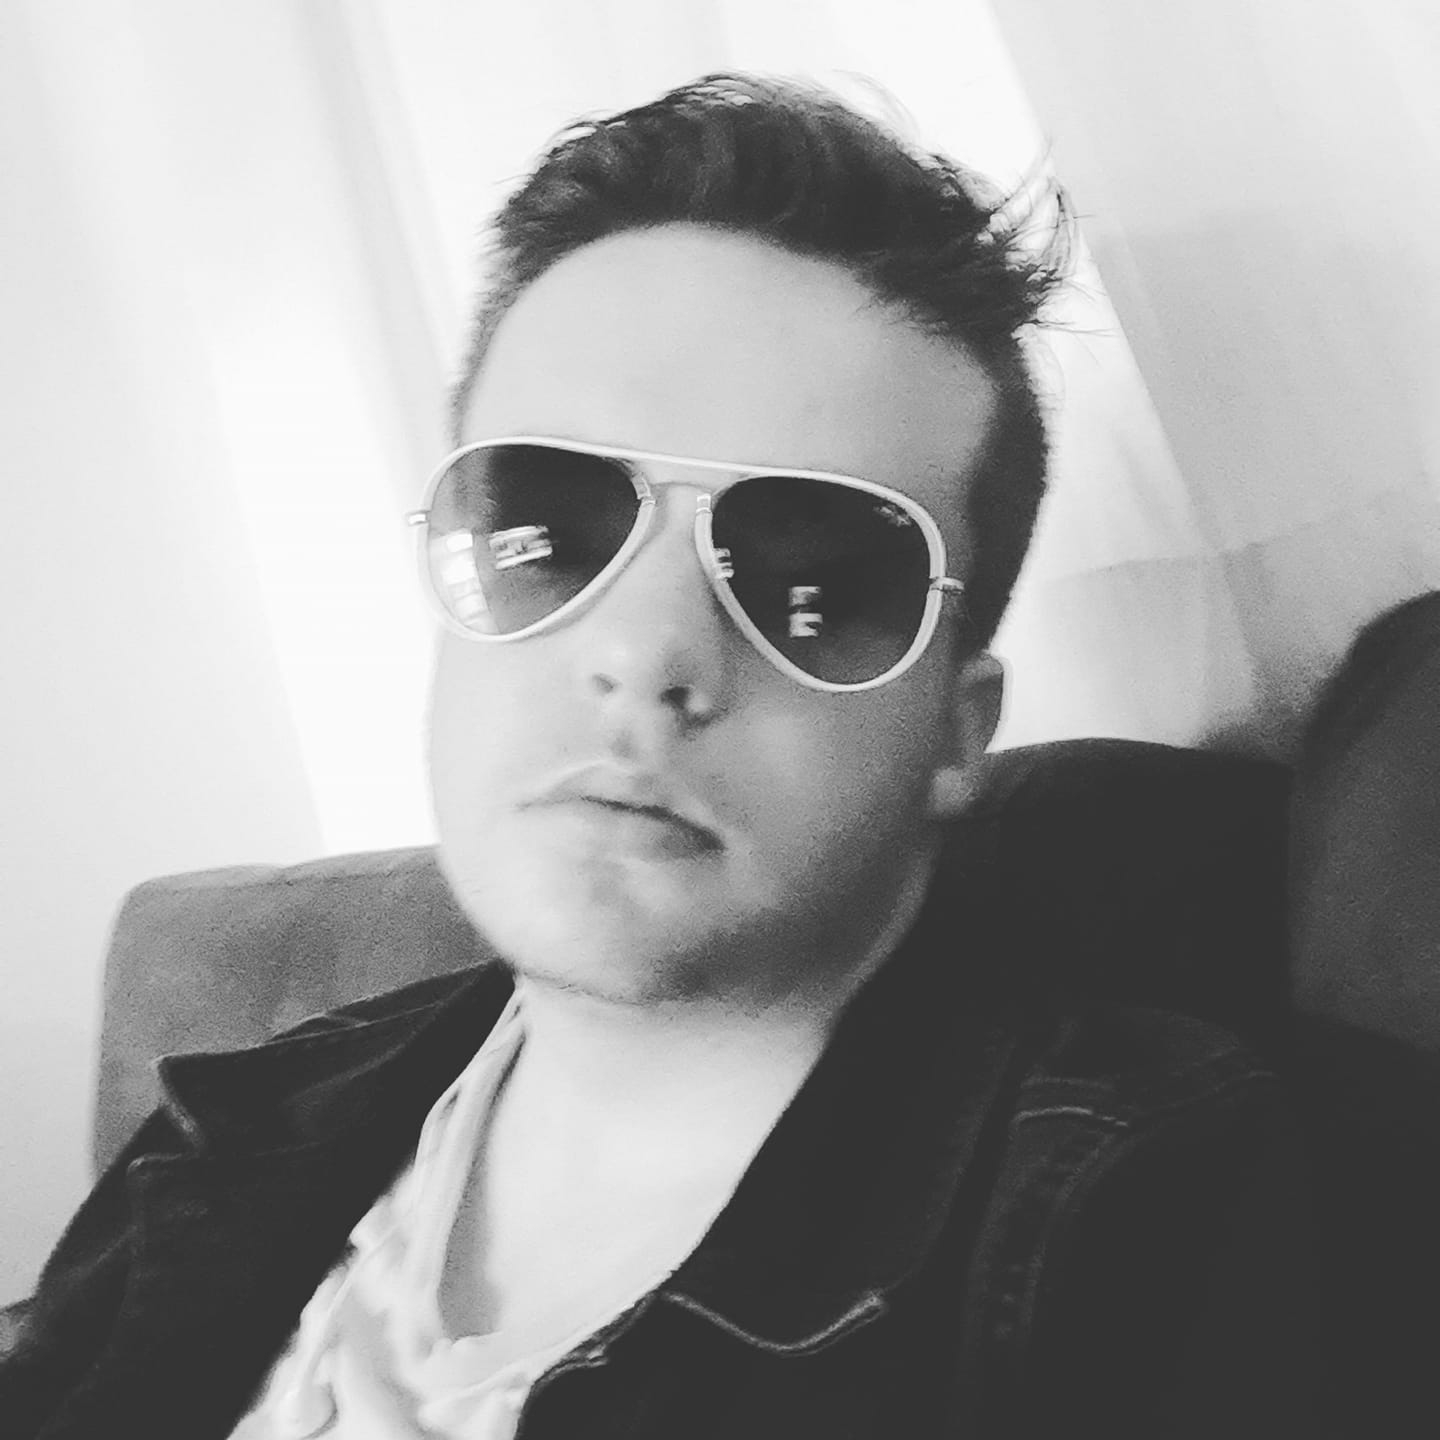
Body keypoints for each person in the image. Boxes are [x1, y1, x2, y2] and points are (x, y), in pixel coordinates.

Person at [2, 74, 1328, 1438]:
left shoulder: (1127, 1231)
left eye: (814, 584)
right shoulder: (223, 1135)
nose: (645, 652)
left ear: (956, 730)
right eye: (551, 533)